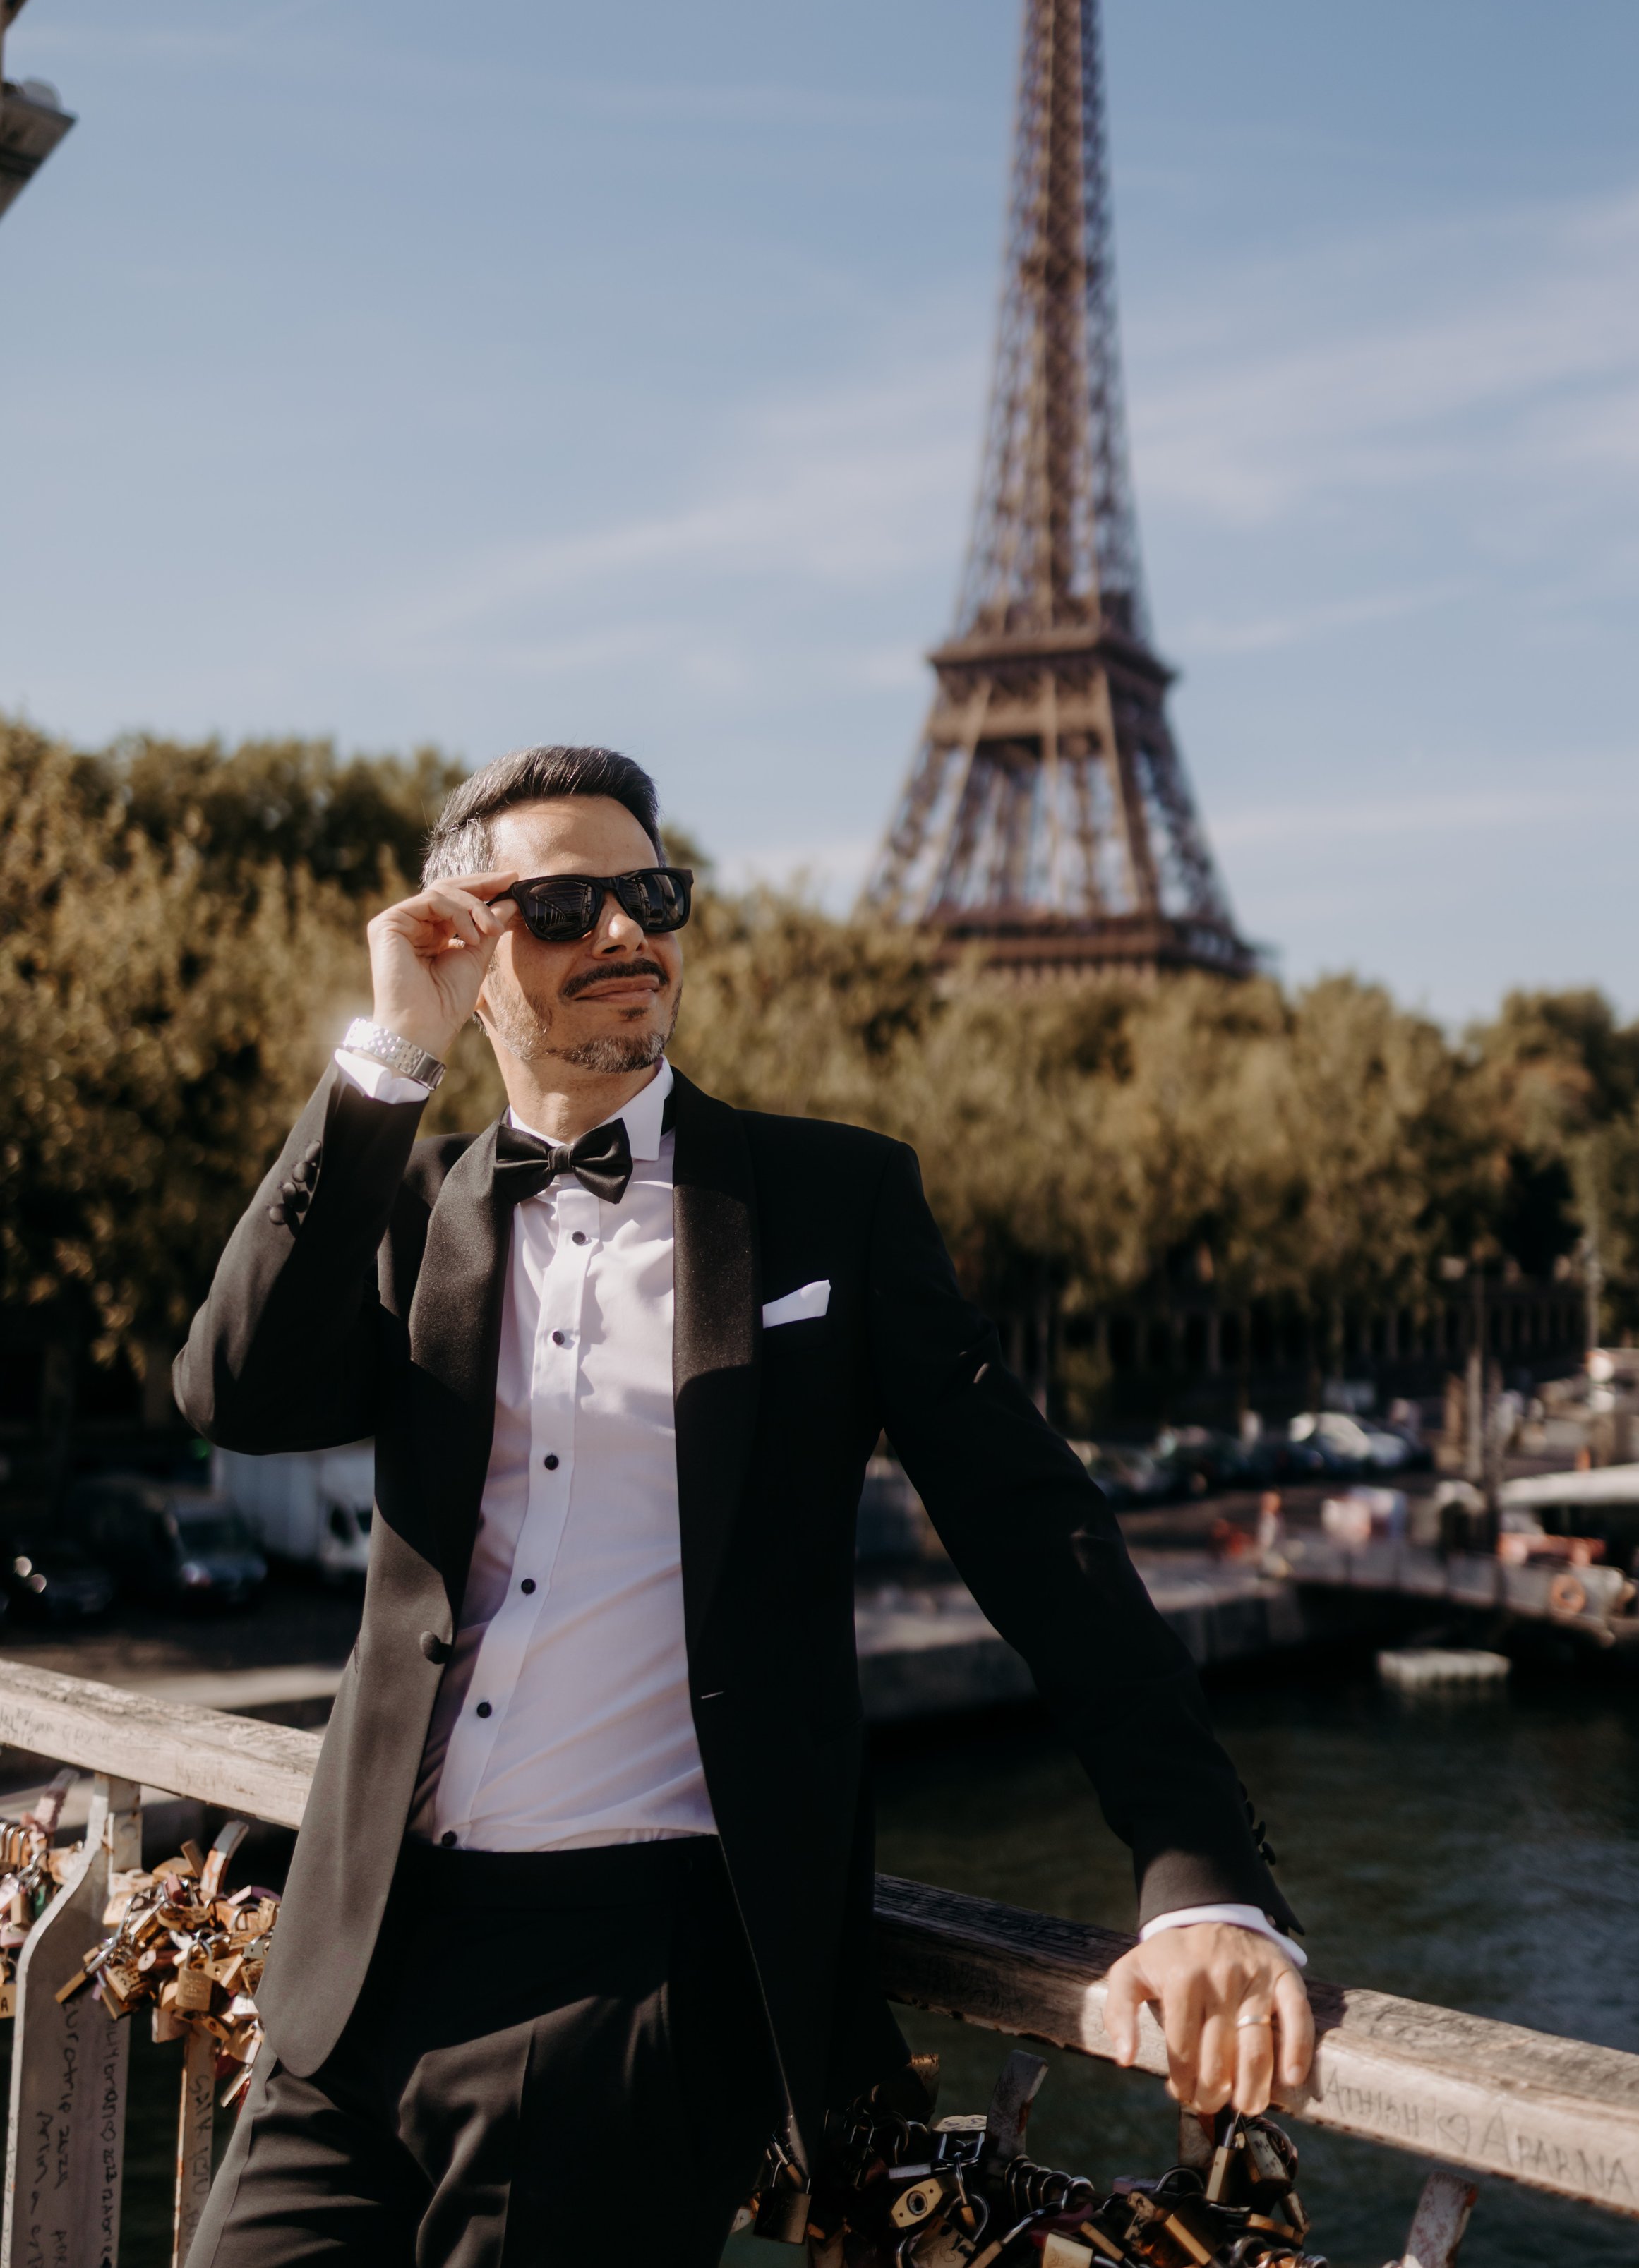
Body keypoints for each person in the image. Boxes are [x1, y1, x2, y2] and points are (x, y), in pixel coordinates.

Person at [177, 743, 1312, 2268]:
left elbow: (1040, 1539)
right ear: (465, 943)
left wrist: (1200, 1877)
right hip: (351, 1961)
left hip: (626, 1986)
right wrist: (387, 1057)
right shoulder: (415, 1205)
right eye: (563, 906)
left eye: (651, 896)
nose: (623, 932)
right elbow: (233, 1391)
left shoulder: (832, 1200)